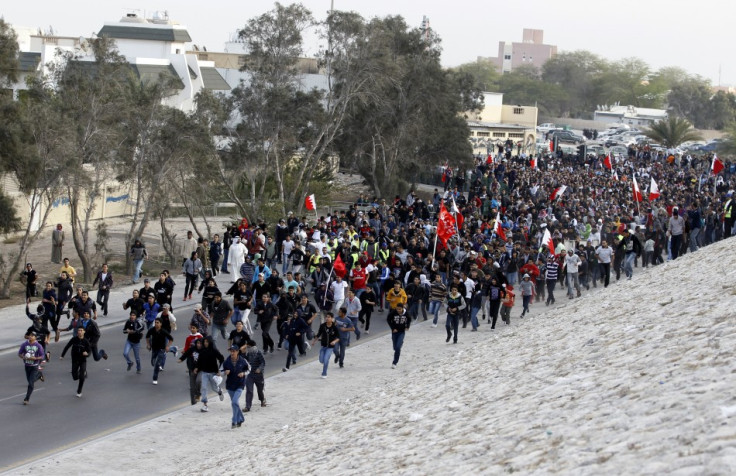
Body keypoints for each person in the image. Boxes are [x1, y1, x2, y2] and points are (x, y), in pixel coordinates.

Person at [193, 336, 224, 412]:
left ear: (210, 342)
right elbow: (199, 361)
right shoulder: (202, 351)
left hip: (213, 373)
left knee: (214, 388)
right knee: (203, 388)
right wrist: (197, 368)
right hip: (204, 372)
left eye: (207, 342)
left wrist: (219, 370)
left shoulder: (214, 351)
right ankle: (205, 405)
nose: (205, 343)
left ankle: (219, 391)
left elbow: (221, 359)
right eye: (204, 342)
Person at [60, 326, 91, 397]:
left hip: (83, 360)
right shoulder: (74, 339)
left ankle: (79, 391)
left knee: (82, 377)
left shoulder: (86, 341)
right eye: (78, 330)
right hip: (75, 360)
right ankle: (81, 374)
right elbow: (67, 346)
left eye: (81, 330)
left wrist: (87, 354)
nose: (79, 332)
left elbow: (89, 351)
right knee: (74, 376)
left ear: (84, 332)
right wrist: (62, 355)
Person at [223, 345, 250, 428]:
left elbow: (249, 369)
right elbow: (220, 371)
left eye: (233, 351)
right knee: (235, 404)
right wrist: (225, 372)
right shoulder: (226, 362)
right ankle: (241, 419)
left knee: (234, 402)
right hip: (230, 385)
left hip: (240, 384)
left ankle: (234, 421)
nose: (232, 352)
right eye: (231, 351)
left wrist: (243, 373)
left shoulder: (243, 361)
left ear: (238, 351)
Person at [18, 332, 45, 405]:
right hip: (27, 366)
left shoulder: (38, 346)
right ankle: (39, 375)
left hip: (35, 366)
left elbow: (42, 356)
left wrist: (35, 358)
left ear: (35, 337)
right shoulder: (24, 344)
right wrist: (24, 357)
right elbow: (19, 353)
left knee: (30, 383)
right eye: (30, 335)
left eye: (32, 336)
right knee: (29, 381)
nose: (30, 336)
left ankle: (26, 398)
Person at [311, 312, 340, 378]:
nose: (327, 318)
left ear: (332, 318)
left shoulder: (334, 327)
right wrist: (314, 341)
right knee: (322, 360)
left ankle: (324, 373)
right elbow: (318, 334)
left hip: (330, 347)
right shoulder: (322, 326)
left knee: (326, 359)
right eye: (326, 317)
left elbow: (338, 338)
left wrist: (334, 342)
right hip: (323, 346)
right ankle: (325, 361)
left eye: (329, 317)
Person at [146, 318, 173, 385]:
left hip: (161, 349)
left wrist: (167, 346)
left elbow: (171, 339)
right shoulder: (152, 330)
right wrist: (148, 345)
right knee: (153, 363)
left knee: (156, 364)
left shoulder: (163, 331)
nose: (156, 324)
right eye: (155, 322)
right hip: (154, 349)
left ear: (161, 324)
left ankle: (155, 378)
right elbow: (147, 337)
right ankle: (174, 349)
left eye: (157, 322)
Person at [242, 339, 266, 412]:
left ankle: (262, 400)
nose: (248, 348)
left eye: (249, 346)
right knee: (249, 390)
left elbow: (263, 363)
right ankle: (248, 406)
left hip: (258, 375)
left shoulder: (259, 353)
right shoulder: (248, 353)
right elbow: (245, 361)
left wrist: (259, 369)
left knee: (260, 390)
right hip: (250, 374)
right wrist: (243, 353)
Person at [178, 338, 203, 405]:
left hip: (201, 370)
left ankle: (198, 394)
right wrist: (181, 359)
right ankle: (193, 402)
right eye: (197, 343)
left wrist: (198, 368)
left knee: (198, 381)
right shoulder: (192, 349)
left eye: (200, 343)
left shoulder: (204, 351)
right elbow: (186, 354)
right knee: (192, 387)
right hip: (192, 369)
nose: (199, 345)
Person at [387, 302, 410, 369]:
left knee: (397, 348)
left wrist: (407, 326)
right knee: (395, 347)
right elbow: (388, 319)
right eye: (397, 309)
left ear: (402, 308)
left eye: (399, 309)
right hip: (394, 332)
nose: (398, 310)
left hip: (401, 332)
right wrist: (393, 328)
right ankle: (400, 344)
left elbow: (409, 319)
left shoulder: (406, 313)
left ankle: (394, 362)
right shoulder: (393, 312)